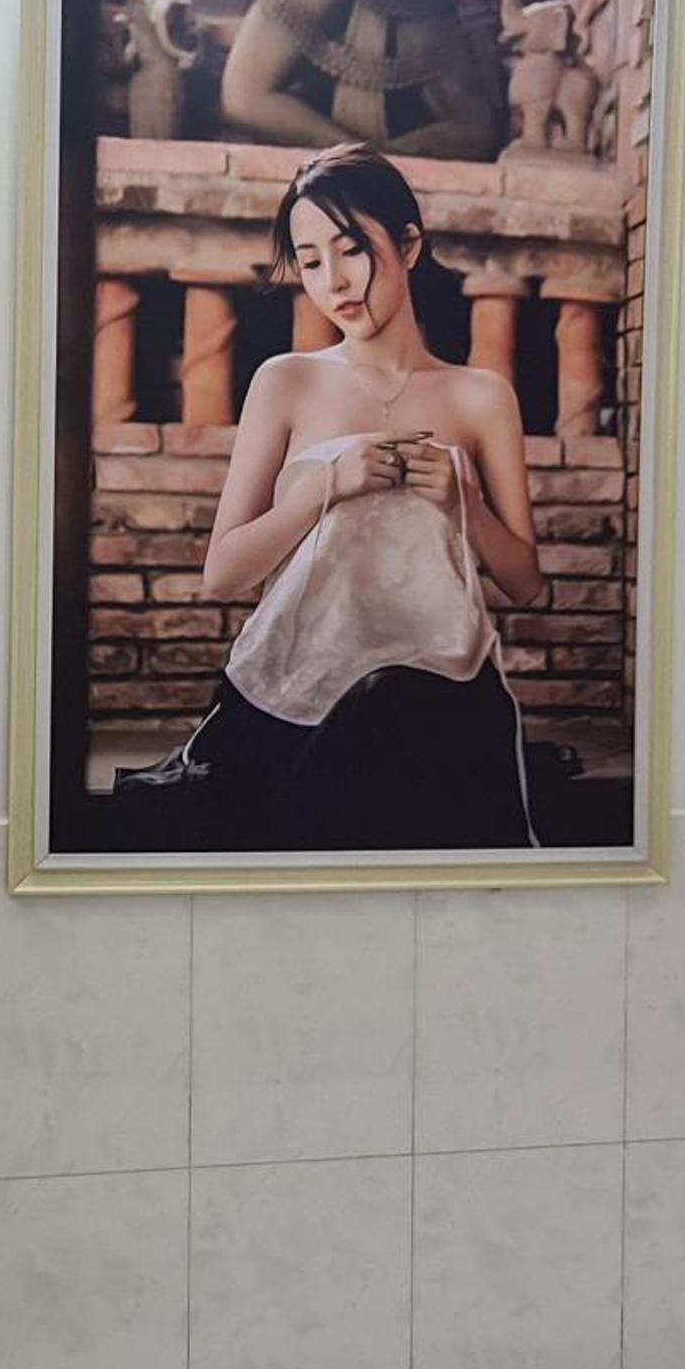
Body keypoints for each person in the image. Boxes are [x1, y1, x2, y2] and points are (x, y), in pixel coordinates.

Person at [118, 143, 545, 850]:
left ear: (409, 246)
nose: (334, 281)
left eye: (351, 251)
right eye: (310, 262)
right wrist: (325, 489)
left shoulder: (481, 396)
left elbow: (526, 584)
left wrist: (463, 504)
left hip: (441, 693)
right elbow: (222, 574)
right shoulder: (285, 382)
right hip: (293, 696)